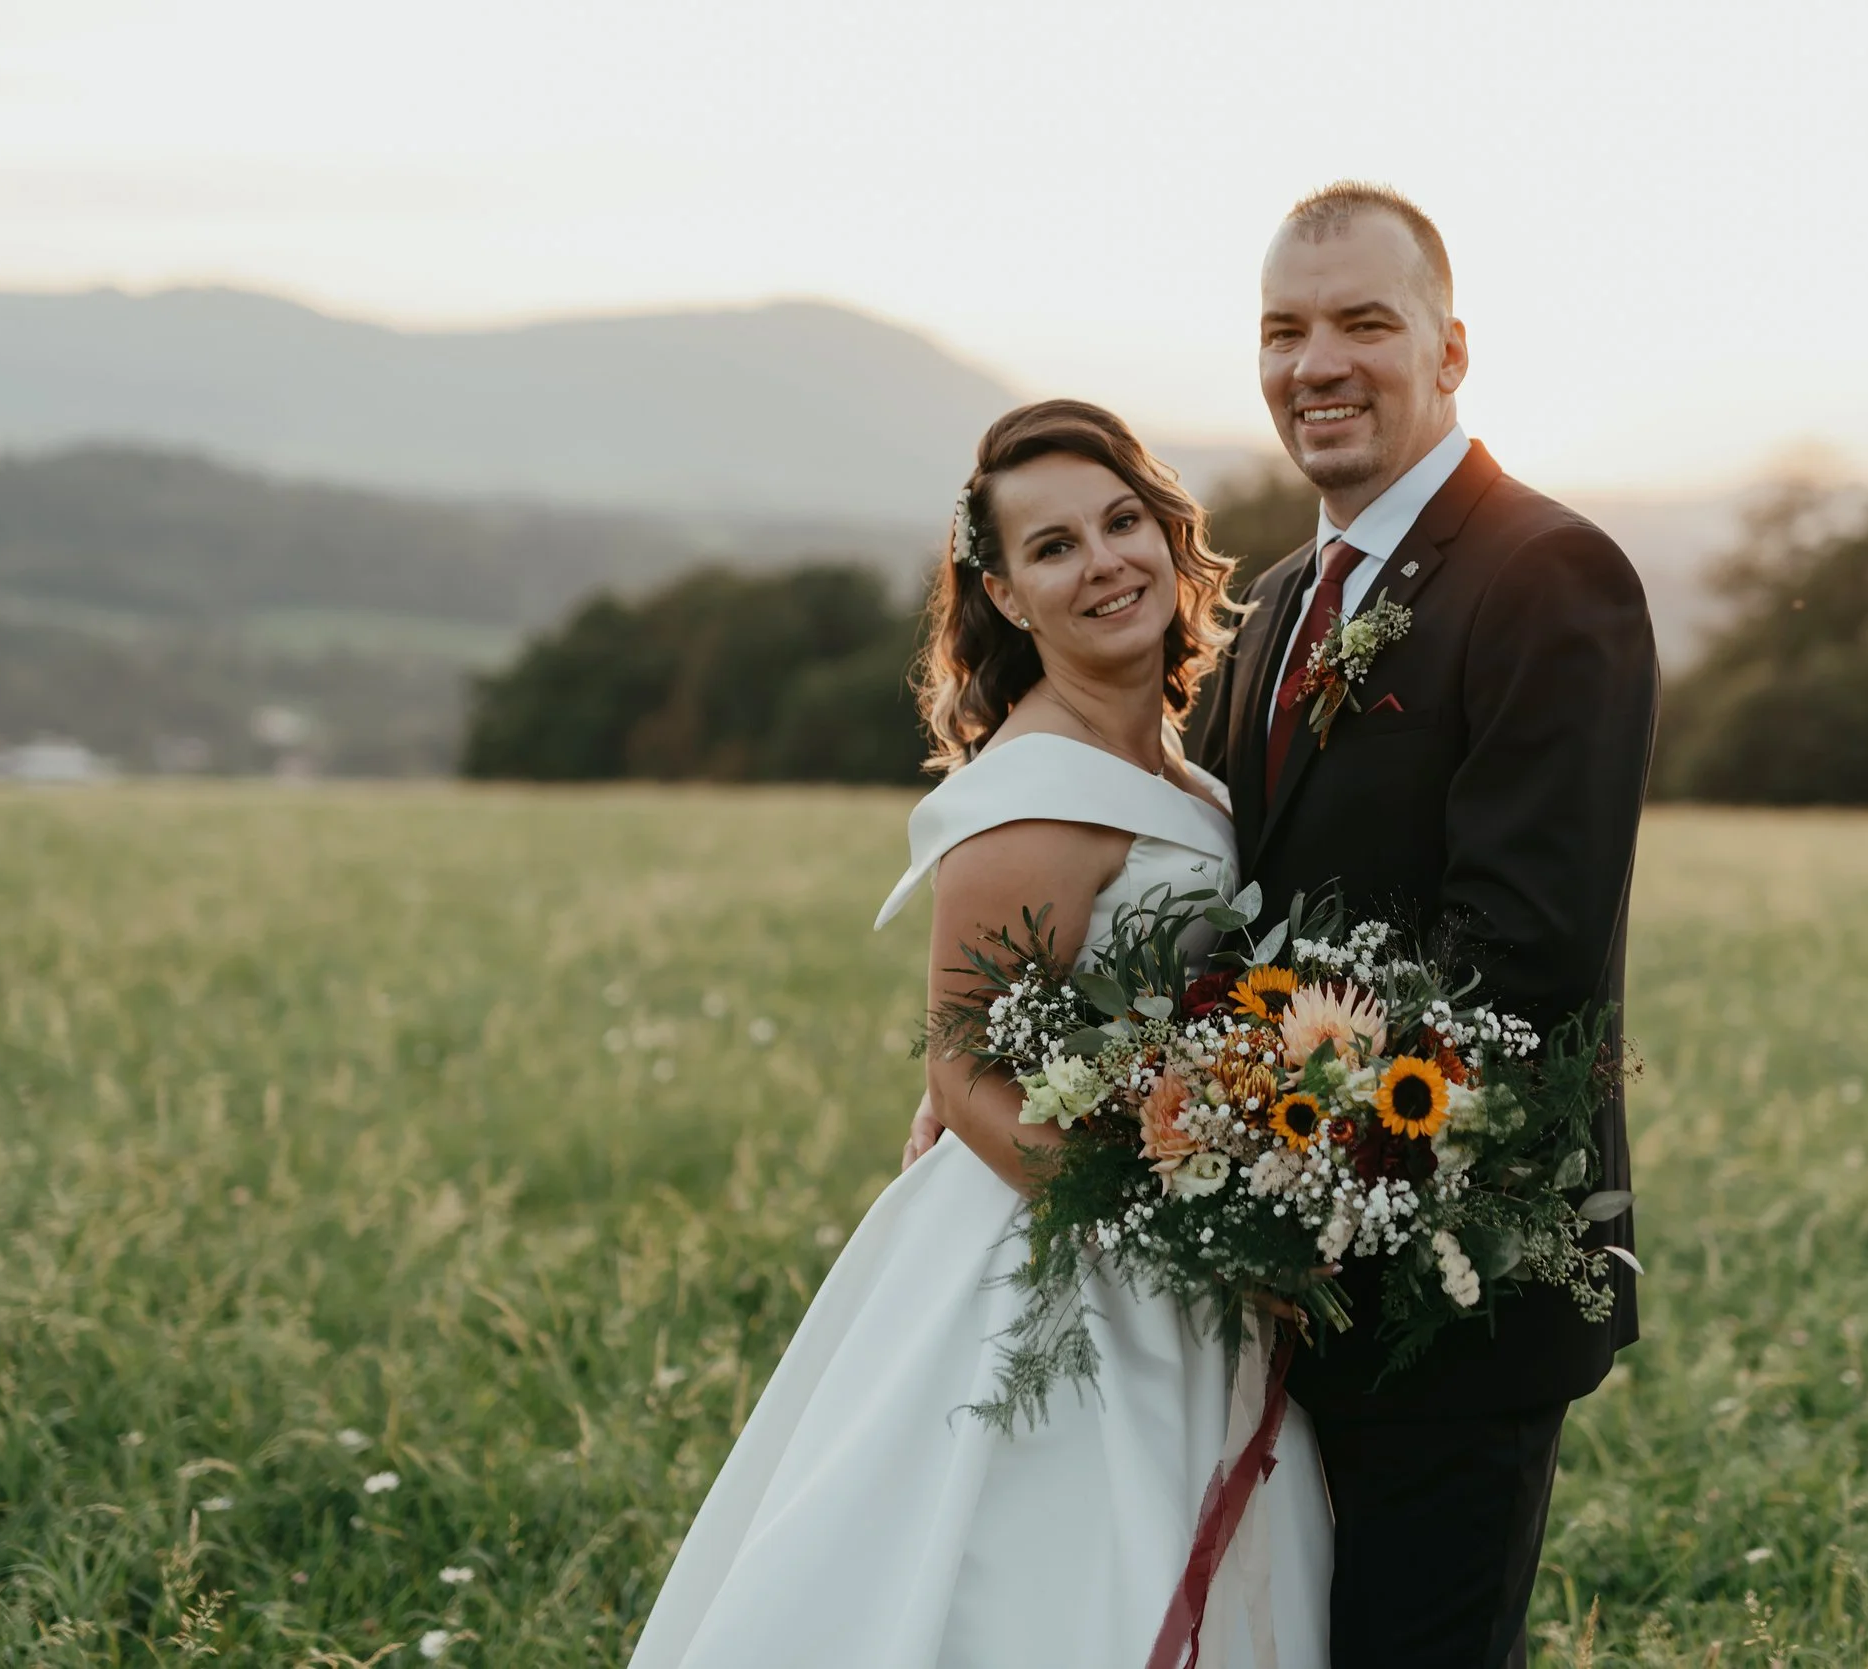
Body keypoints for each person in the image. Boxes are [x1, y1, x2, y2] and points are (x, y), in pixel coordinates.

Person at [627, 400, 1331, 1669]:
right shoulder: (1031, 791)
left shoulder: (1183, 770)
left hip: (1166, 1207)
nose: (1105, 561)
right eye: (1052, 546)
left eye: (1123, 521)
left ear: (1171, 536)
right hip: (1057, 1254)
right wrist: (1179, 1235)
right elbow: (959, 1072)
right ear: (1005, 595)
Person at [1187, 180, 1660, 1669]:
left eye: (1362, 323)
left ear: (1451, 351)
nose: (1315, 362)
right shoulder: (1273, 606)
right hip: (1271, 1288)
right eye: (1283, 330)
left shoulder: (1548, 576)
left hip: (1457, 1288)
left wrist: (1283, 1152)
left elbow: (1521, 950)